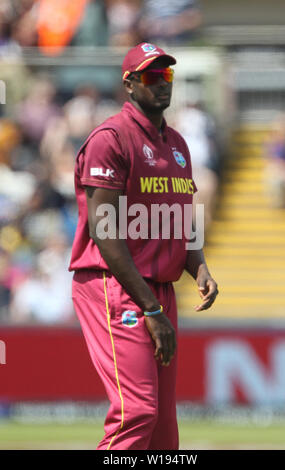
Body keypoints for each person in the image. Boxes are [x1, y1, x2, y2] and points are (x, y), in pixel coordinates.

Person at [69, 42, 218, 450]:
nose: (161, 84)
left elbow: (183, 215)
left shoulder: (179, 145)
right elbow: (104, 231)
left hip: (160, 289)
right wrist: (149, 308)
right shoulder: (110, 139)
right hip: (113, 285)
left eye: (166, 75)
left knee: (163, 430)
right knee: (137, 413)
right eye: (152, 76)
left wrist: (198, 266)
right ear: (129, 84)